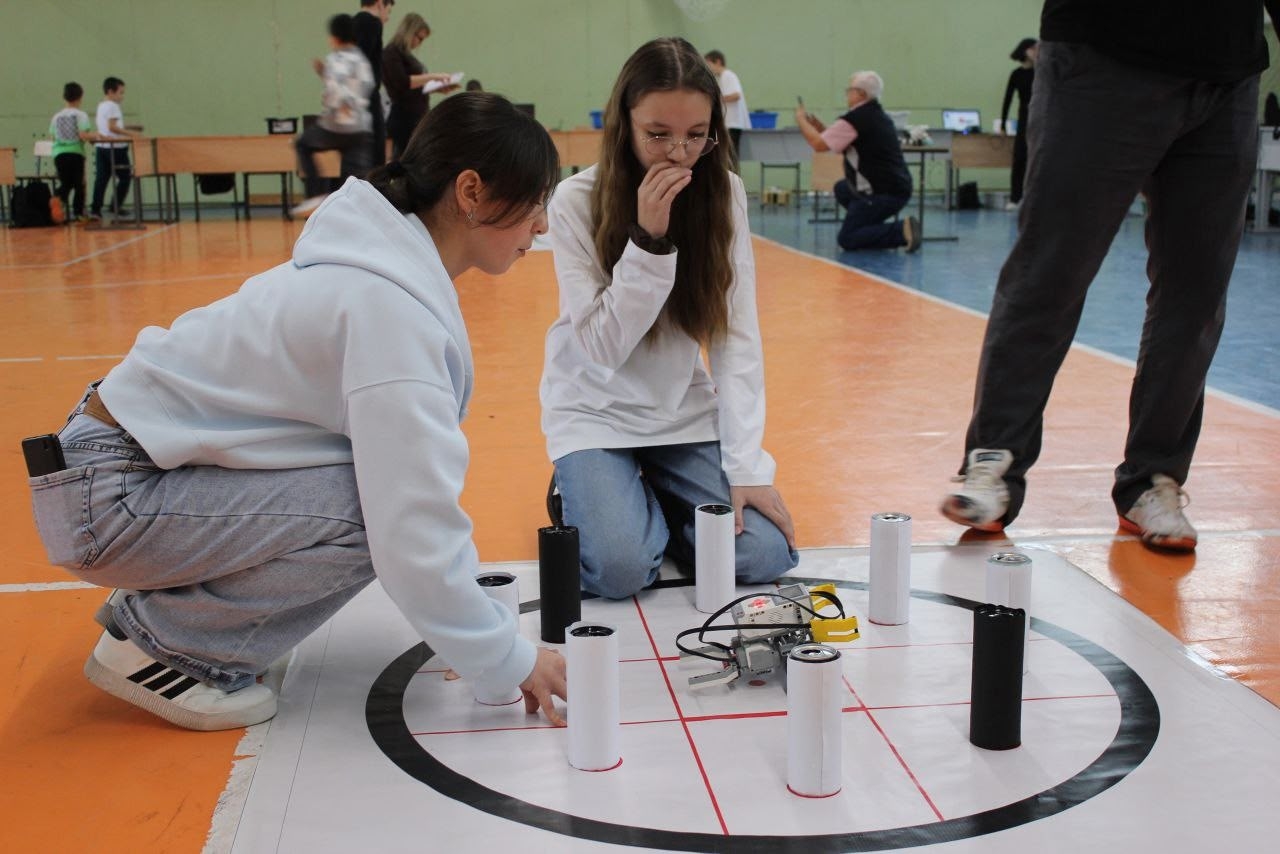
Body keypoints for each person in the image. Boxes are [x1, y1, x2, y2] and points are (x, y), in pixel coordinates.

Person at [24, 92, 567, 731]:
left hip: (109, 475)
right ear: (471, 191)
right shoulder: (387, 309)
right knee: (370, 508)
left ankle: (180, 609)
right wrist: (503, 657)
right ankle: (164, 644)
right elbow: (410, 524)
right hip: (109, 500)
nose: (542, 226)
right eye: (536, 203)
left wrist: (471, 630)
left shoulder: (374, 268)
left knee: (373, 489)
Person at [940, 0, 1280, 552]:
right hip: (1101, 57)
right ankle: (995, 465)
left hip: (1229, 73)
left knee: (1196, 294)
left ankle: (1152, 479)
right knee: (1050, 271)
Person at [540, 37, 799, 601]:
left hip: (680, 413)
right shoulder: (574, 200)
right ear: (623, 125)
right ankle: (591, 491)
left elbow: (736, 335)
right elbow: (603, 347)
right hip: (595, 409)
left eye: (696, 134)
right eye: (657, 134)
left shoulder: (723, 193)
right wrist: (649, 241)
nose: (679, 154)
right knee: (620, 570)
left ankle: (646, 504)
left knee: (762, 552)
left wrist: (748, 468)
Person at [794, 71, 920, 253]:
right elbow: (848, 142)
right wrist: (822, 129)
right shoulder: (878, 115)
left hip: (881, 192)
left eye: (850, 90)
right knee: (842, 188)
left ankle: (901, 231)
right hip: (897, 186)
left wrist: (800, 120)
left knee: (847, 238)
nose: (847, 94)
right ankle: (868, 223)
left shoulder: (855, 119)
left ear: (861, 93)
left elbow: (818, 145)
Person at [293, 14, 375, 215]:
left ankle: (315, 194)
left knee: (303, 143)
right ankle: (355, 213)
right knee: (354, 177)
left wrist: (341, 103)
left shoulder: (335, 58)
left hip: (335, 125)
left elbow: (336, 86)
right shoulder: (361, 59)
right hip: (360, 129)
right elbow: (367, 85)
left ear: (334, 38)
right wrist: (324, 74)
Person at [382, 13, 460, 159]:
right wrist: (434, 77)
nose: (420, 43)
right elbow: (402, 82)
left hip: (415, 116)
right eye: (420, 38)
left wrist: (437, 88)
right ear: (410, 32)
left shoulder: (407, 55)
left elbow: (413, 87)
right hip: (404, 118)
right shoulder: (391, 53)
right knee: (406, 160)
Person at [90, 77, 138, 220]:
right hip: (115, 147)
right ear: (111, 91)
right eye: (120, 93)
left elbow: (108, 127)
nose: (122, 96)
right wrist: (131, 134)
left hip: (101, 147)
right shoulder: (113, 106)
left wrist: (129, 127)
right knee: (125, 177)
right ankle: (115, 205)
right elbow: (112, 127)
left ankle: (95, 210)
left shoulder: (101, 105)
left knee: (101, 179)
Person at [354, 0, 394, 167]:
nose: (387, 18)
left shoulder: (353, 22)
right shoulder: (372, 23)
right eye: (388, 11)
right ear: (379, 4)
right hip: (367, 97)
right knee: (376, 155)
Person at [49, 82, 96, 223]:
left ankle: (58, 197)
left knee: (66, 182)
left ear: (64, 97)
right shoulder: (81, 115)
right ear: (80, 97)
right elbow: (83, 135)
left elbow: (52, 137)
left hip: (59, 154)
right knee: (79, 184)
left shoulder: (56, 116)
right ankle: (78, 213)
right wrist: (96, 136)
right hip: (75, 153)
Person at [1001, 38, 1037, 210]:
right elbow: (1007, 99)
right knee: (1019, 157)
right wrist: (1002, 124)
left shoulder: (1041, 73)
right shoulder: (1016, 74)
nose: (1036, 51)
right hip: (1024, 116)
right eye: (1033, 48)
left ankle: (1034, 197)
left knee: (1036, 159)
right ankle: (1015, 198)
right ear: (1025, 51)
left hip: (1040, 117)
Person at [703, 50, 747, 168]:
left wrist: (715, 98)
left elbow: (736, 95)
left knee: (730, 157)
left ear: (718, 62)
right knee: (727, 157)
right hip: (729, 123)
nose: (708, 68)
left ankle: (732, 178)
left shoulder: (728, 75)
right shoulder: (722, 78)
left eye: (709, 64)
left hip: (733, 123)